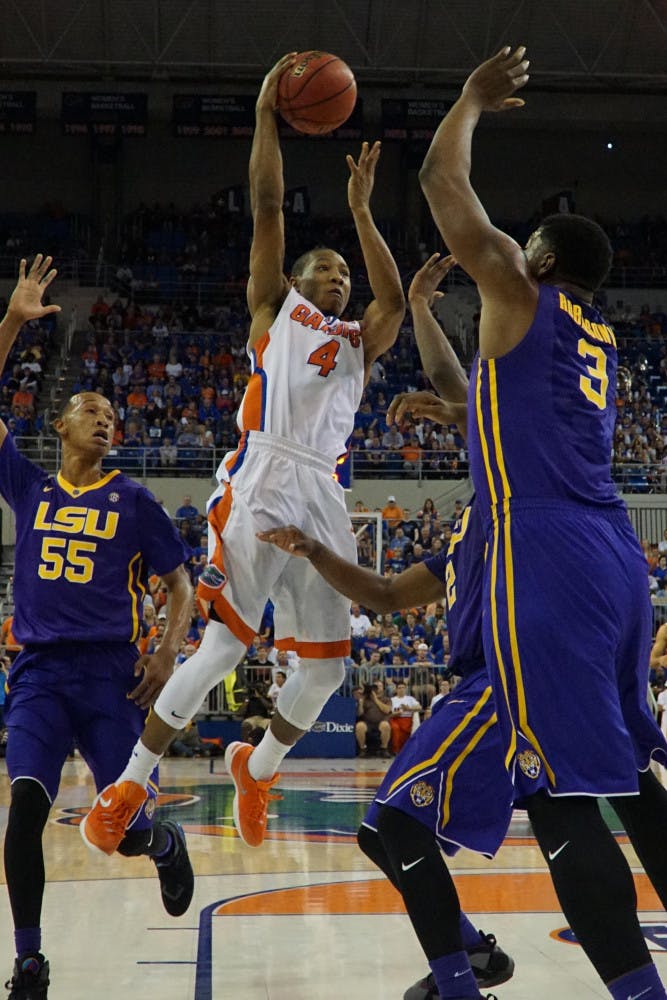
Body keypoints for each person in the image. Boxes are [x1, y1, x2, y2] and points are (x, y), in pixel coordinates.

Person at [81, 52, 404, 855]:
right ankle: (126, 788)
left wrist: (362, 214)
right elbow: (266, 202)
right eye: (322, 269)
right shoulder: (275, 309)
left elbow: (392, 300)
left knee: (327, 673)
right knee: (225, 642)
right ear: (295, 282)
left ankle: (255, 769)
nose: (334, 279)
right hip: (262, 475)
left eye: (340, 274)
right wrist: (266, 116)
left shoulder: (360, 343)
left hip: (324, 496)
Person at [419, 45, 667, 1000]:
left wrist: (469, 99)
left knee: (557, 788)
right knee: (628, 776)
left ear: (544, 258)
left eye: (524, 240)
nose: (508, 246)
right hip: (613, 558)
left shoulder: (520, 291)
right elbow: (508, 412)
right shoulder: (591, 334)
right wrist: (447, 408)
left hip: (547, 556)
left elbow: (445, 184)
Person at [258, 255, 514, 1000]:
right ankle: (475, 956)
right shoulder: (465, 531)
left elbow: (461, 395)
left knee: (390, 830)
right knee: (397, 832)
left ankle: (461, 980)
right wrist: (311, 548)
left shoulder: (513, 495)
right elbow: (382, 591)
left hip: (506, 685)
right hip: (491, 687)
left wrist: (427, 327)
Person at [0, 256, 194, 1000]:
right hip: (41, 674)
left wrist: (168, 650)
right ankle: (28, 959)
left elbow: (179, 584)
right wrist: (16, 321)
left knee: (122, 829)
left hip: (112, 673)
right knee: (24, 804)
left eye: (112, 415)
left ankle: (162, 841)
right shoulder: (29, 485)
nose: (106, 419)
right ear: (59, 425)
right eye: (90, 409)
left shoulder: (136, 498)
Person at [355, 681, 392, 757]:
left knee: (386, 725)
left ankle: (384, 749)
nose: (377, 687)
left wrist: (375, 699)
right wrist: (361, 702)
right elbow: (360, 713)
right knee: (359, 726)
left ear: (383, 688)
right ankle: (363, 749)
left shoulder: (386, 699)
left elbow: (387, 710)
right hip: (367, 722)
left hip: (381, 722)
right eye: (376, 686)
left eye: (380, 686)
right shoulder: (366, 699)